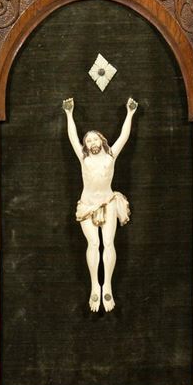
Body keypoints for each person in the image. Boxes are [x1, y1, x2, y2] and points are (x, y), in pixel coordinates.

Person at [62, 96, 138, 312]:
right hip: (87, 205)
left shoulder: (111, 155)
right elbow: (72, 137)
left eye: (95, 140)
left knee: (109, 243)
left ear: (102, 141)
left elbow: (124, 136)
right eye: (88, 141)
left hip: (108, 202)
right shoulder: (83, 158)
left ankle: (108, 286)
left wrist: (130, 113)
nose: (92, 143)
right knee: (94, 244)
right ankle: (95, 285)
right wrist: (69, 114)